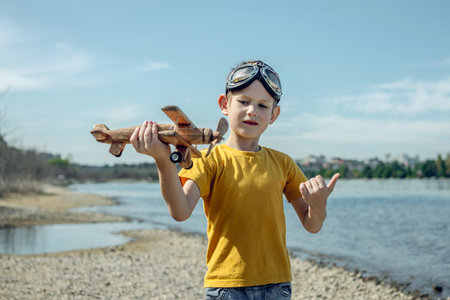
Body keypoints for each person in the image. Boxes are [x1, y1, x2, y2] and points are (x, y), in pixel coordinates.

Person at [130, 60, 340, 300]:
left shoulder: (283, 163)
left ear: (274, 115)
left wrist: (318, 205)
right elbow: (180, 211)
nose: (252, 111)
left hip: (277, 284)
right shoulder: (209, 158)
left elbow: (312, 225)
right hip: (226, 286)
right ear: (224, 104)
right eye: (243, 101)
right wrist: (163, 160)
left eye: (263, 105)